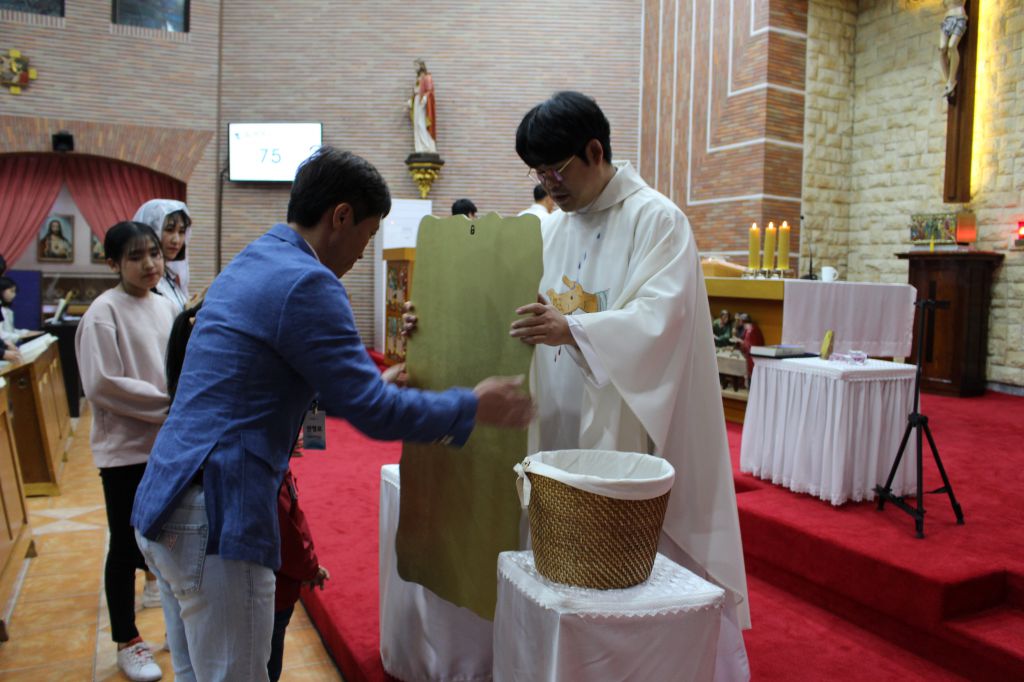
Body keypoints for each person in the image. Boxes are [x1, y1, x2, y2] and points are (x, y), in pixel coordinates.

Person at [130, 146, 532, 681]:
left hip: (167, 497)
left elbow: (265, 377)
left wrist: (368, 386)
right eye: (368, 235)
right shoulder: (310, 281)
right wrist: (473, 405)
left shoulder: (256, 257)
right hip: (217, 512)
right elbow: (374, 414)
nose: (363, 254)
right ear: (341, 216)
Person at [509, 91, 750, 679]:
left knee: (626, 573)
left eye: (557, 170)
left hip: (625, 419)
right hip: (559, 411)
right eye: (538, 174)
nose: (549, 186)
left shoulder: (658, 220)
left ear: (595, 151)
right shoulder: (552, 228)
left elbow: (660, 322)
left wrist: (575, 328)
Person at [75, 221, 178, 682]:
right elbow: (102, 384)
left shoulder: (165, 305)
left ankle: (176, 624)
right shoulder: (103, 312)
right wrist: (169, 406)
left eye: (154, 253)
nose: (150, 263)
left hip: (166, 445)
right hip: (125, 451)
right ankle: (127, 640)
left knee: (171, 541)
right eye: (135, 257)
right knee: (125, 546)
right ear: (113, 264)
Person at [133, 199, 192, 311]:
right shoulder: (144, 283)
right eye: (169, 230)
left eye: (181, 232)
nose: (176, 240)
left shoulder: (168, 277)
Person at [0, 277, 42, 347]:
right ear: (1, 290)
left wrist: (27, 333)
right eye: (11, 291)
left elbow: (9, 330)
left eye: (15, 292)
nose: (14, 295)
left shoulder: (6, 310)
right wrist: (20, 336)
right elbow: (1, 335)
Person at [939, 0, 968, 98]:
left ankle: (951, 81)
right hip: (946, 20)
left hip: (959, 17)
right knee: (942, 49)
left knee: (952, 46)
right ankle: (949, 82)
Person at [410, 59, 437, 154]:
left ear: (421, 66)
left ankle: (426, 146)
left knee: (421, 123)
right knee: (417, 124)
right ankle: (419, 147)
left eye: (416, 65)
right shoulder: (418, 79)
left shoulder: (427, 77)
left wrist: (425, 98)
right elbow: (415, 92)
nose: (414, 68)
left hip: (422, 102)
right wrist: (411, 101)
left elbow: (429, 91)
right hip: (417, 101)